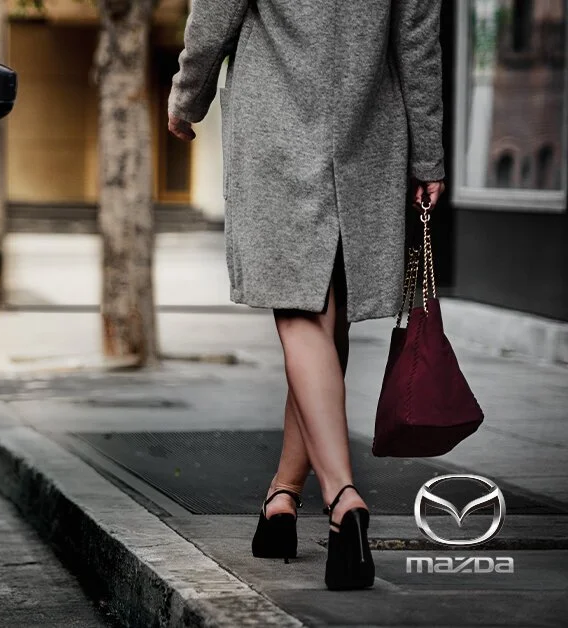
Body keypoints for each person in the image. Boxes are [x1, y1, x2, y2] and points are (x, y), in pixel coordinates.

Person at [166, 0, 446, 590]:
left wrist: (187, 97)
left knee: (300, 315)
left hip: (277, 131)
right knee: (328, 318)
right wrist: (427, 153)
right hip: (369, 137)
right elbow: (418, 40)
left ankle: (343, 498)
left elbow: (214, 14)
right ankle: (282, 497)